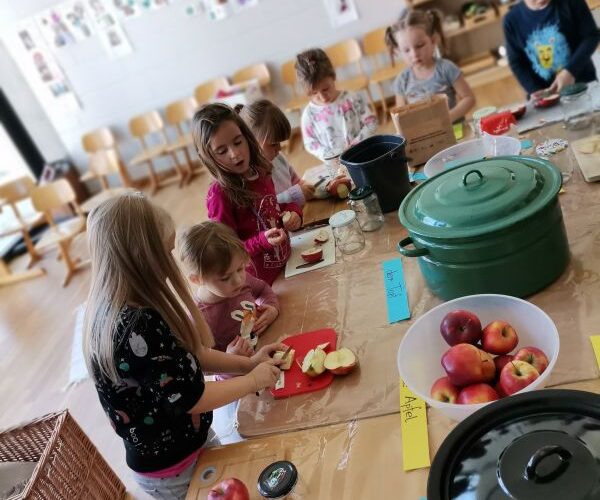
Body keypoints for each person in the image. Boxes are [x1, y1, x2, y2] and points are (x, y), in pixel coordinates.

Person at [83, 193, 283, 500]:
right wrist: (253, 381)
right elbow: (193, 397)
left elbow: (194, 356)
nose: (169, 263)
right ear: (142, 258)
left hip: (189, 444)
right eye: (166, 252)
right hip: (175, 469)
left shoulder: (133, 305)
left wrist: (249, 363)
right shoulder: (137, 325)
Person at [192, 103, 303, 286]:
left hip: (289, 264)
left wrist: (293, 212)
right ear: (208, 157)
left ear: (247, 136)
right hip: (260, 286)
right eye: (222, 151)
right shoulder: (219, 195)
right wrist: (261, 242)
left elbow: (271, 210)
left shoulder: (261, 171)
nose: (235, 154)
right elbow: (226, 250)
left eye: (238, 142)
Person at [179, 220, 279, 357]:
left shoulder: (242, 280)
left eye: (240, 268)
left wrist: (271, 307)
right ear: (197, 279)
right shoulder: (198, 319)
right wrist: (230, 359)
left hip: (271, 342)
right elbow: (206, 366)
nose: (238, 280)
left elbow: (263, 290)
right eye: (225, 278)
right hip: (246, 373)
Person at [385, 8, 475, 122]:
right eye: (406, 50)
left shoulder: (446, 68)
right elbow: (400, 116)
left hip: (454, 130)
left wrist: (448, 118)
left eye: (419, 45)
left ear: (433, 41)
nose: (414, 54)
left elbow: (469, 98)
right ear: (398, 51)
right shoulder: (402, 81)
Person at [295, 48, 378, 162]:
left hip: (363, 155)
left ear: (333, 76)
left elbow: (371, 123)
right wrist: (329, 155)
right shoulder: (309, 115)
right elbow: (310, 144)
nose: (323, 97)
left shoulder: (352, 98)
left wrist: (356, 144)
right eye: (314, 93)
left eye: (326, 89)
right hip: (336, 165)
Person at [503, 0, 599, 97]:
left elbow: (591, 36)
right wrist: (536, 91)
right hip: (544, 97)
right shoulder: (511, 20)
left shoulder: (572, 2)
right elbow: (516, 62)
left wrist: (570, 72)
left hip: (584, 86)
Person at [237, 100, 314, 206]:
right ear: (251, 141)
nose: (279, 149)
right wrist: (295, 194)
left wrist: (307, 187)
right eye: (273, 144)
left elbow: (296, 181)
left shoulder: (279, 159)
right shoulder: (251, 175)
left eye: (280, 143)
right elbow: (265, 207)